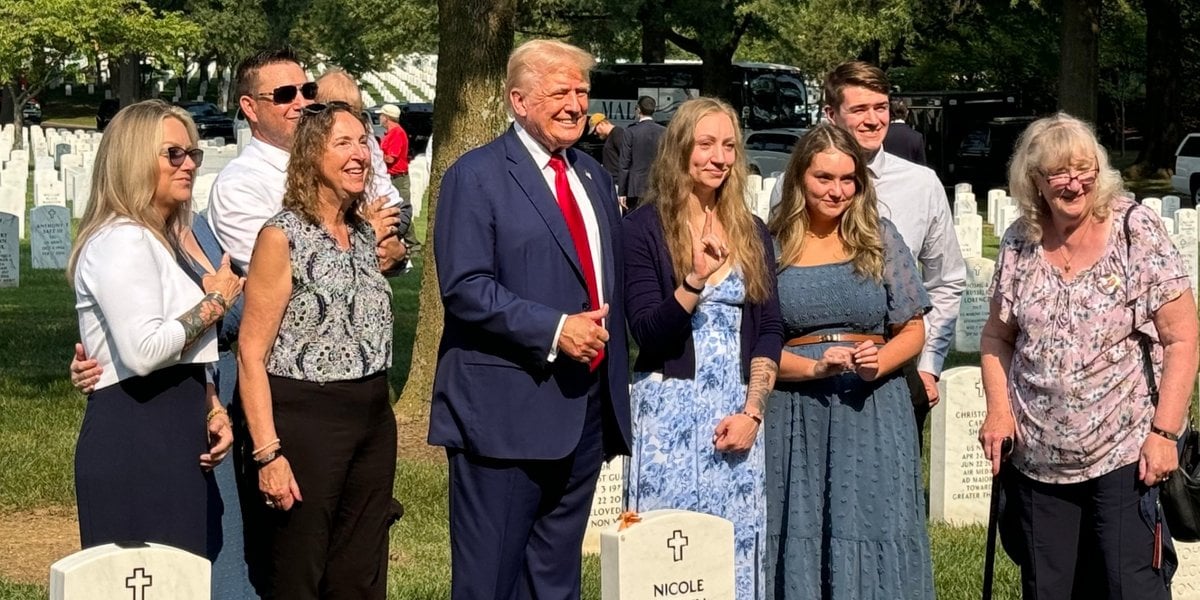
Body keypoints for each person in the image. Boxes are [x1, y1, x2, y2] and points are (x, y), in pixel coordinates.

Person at [429, 39, 631, 599]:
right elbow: (465, 287)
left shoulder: (592, 174)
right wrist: (555, 328)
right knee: (490, 580)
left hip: (586, 408)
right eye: (559, 91)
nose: (574, 103)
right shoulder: (476, 175)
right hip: (505, 414)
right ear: (518, 101)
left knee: (556, 577)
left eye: (582, 91)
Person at [977, 113, 1199, 599]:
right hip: (1036, 455)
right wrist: (998, 411)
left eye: (1084, 169)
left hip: (1125, 451)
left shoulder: (1133, 230)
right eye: (1058, 172)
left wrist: (1164, 433)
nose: (1073, 182)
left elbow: (1181, 338)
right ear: (1034, 180)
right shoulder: (1019, 240)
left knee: (1128, 586)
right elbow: (997, 337)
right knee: (1048, 588)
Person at [765, 123, 934, 598]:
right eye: (824, 178)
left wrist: (879, 361)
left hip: (874, 405)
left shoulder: (880, 238)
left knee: (877, 522)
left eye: (848, 179)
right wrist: (813, 366)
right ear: (800, 178)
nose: (837, 191)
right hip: (796, 409)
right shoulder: (771, 244)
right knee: (800, 521)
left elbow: (913, 327)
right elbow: (756, 345)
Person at [66, 99, 242, 557]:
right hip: (138, 441)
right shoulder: (123, 239)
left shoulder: (156, 238)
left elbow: (169, 348)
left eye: (193, 154)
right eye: (173, 154)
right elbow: (145, 350)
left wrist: (211, 409)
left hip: (170, 434)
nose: (188, 165)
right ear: (133, 159)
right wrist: (217, 300)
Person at [622, 97, 782, 598]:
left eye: (729, 146)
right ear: (679, 149)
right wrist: (693, 279)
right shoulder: (642, 229)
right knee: (668, 561)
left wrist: (753, 411)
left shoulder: (752, 232)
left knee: (732, 553)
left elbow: (769, 328)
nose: (718, 157)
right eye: (706, 144)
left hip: (734, 413)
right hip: (667, 413)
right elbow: (649, 332)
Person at [238, 101, 397, 599]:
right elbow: (250, 354)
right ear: (311, 156)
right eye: (342, 143)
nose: (360, 155)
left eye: (363, 143)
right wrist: (269, 455)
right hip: (306, 420)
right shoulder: (279, 237)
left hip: (372, 418)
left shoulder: (364, 234)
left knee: (360, 570)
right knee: (298, 570)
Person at [769, 61, 964, 444]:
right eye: (859, 109)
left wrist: (927, 366)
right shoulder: (791, 185)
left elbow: (946, 281)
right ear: (830, 115)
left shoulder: (921, 184)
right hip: (804, 376)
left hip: (897, 367)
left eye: (882, 107)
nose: (874, 120)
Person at [618, 95, 666, 212]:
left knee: (634, 223)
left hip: (634, 188)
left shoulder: (630, 131)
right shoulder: (664, 132)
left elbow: (624, 164)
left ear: (638, 109)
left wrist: (621, 192)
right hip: (657, 185)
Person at [378, 103, 412, 209]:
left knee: (401, 212)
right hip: (392, 178)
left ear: (386, 117)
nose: (379, 118)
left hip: (398, 180)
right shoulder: (390, 133)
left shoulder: (396, 133)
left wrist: (376, 155)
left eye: (381, 115)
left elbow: (390, 159)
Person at [883, 98, 926, 165]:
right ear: (907, 113)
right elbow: (921, 165)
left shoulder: (882, 134)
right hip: (909, 174)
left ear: (889, 113)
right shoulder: (917, 137)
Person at [590, 112, 624, 182]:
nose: (595, 133)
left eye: (595, 130)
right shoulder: (611, 136)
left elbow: (625, 157)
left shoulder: (617, 134)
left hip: (617, 181)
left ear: (602, 123)